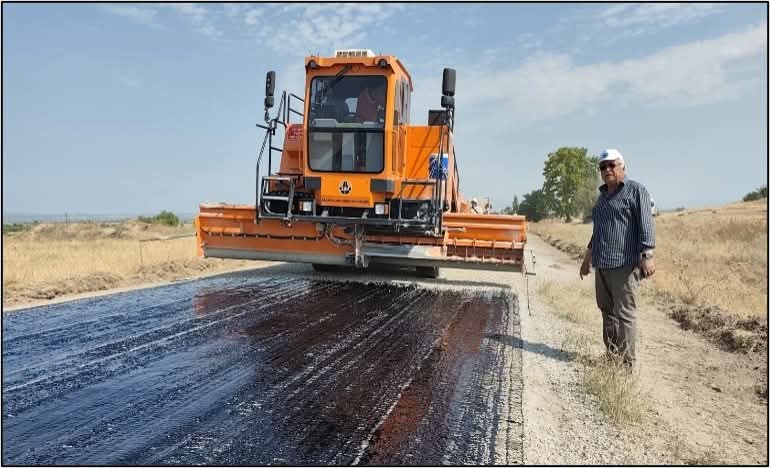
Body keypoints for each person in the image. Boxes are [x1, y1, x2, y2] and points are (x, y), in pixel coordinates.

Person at [579, 149, 655, 369]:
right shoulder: (602, 198)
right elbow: (598, 231)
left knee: (625, 315)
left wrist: (647, 255)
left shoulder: (636, 191)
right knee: (607, 312)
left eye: (612, 165)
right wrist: (587, 258)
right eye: (603, 167)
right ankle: (612, 357)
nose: (607, 170)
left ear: (623, 167)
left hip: (625, 264)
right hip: (602, 264)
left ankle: (627, 364)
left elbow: (646, 224)